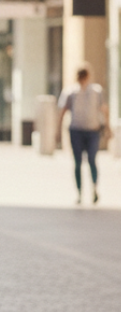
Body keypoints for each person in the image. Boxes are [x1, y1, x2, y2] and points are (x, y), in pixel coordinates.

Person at [57, 63, 109, 205]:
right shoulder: (70, 92)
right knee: (78, 162)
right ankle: (79, 192)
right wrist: (58, 131)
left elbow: (104, 110)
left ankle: (94, 188)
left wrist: (107, 128)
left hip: (93, 130)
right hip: (76, 130)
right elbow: (62, 111)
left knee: (92, 160)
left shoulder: (96, 91)